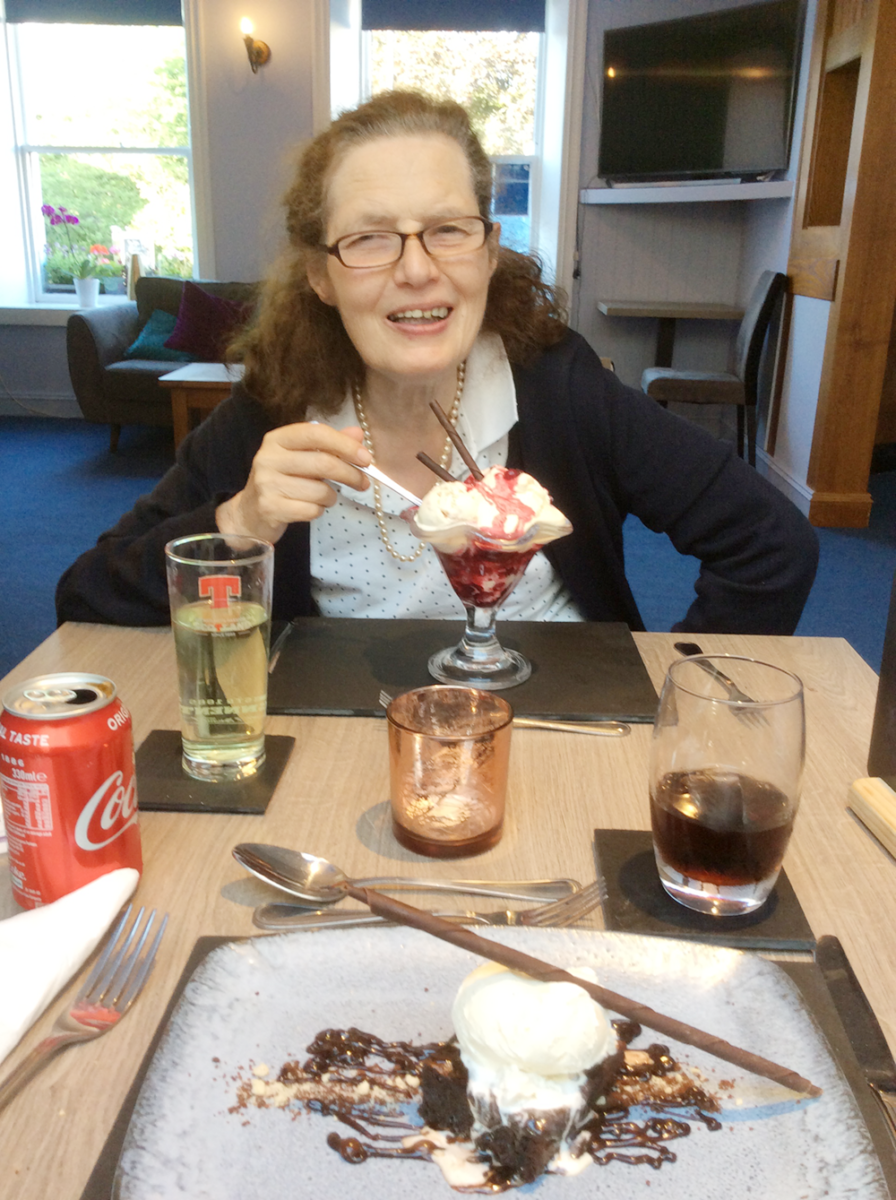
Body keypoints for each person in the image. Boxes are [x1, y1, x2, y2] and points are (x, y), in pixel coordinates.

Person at [56, 90, 818, 634]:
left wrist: (675, 711)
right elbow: (86, 596)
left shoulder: (559, 387)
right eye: (370, 237)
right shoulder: (274, 410)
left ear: (488, 253)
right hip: (343, 765)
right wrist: (238, 524)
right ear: (320, 276)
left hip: (550, 753)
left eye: (449, 230)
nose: (418, 270)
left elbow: (770, 547)